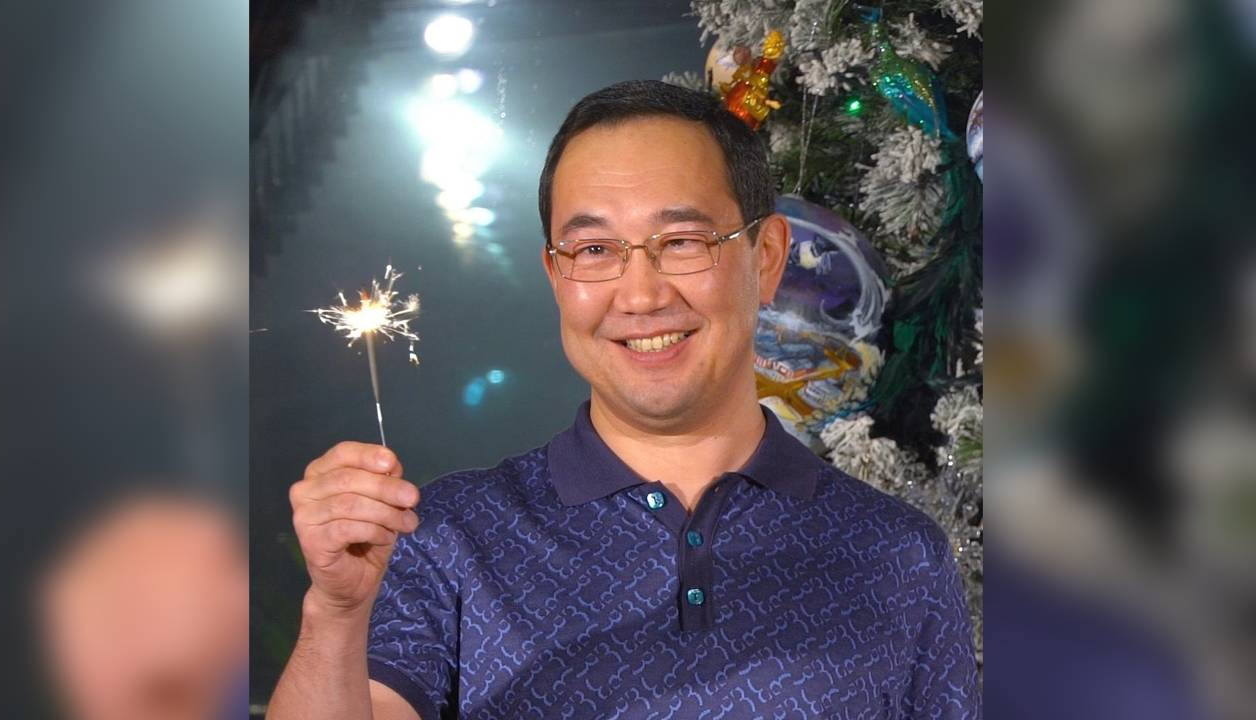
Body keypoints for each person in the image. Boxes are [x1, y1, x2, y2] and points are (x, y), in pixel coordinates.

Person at [268, 80, 981, 719]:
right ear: (556, 276)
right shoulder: (446, 537)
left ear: (766, 258)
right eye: (595, 251)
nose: (640, 295)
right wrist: (335, 615)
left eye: (683, 241)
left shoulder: (899, 555)